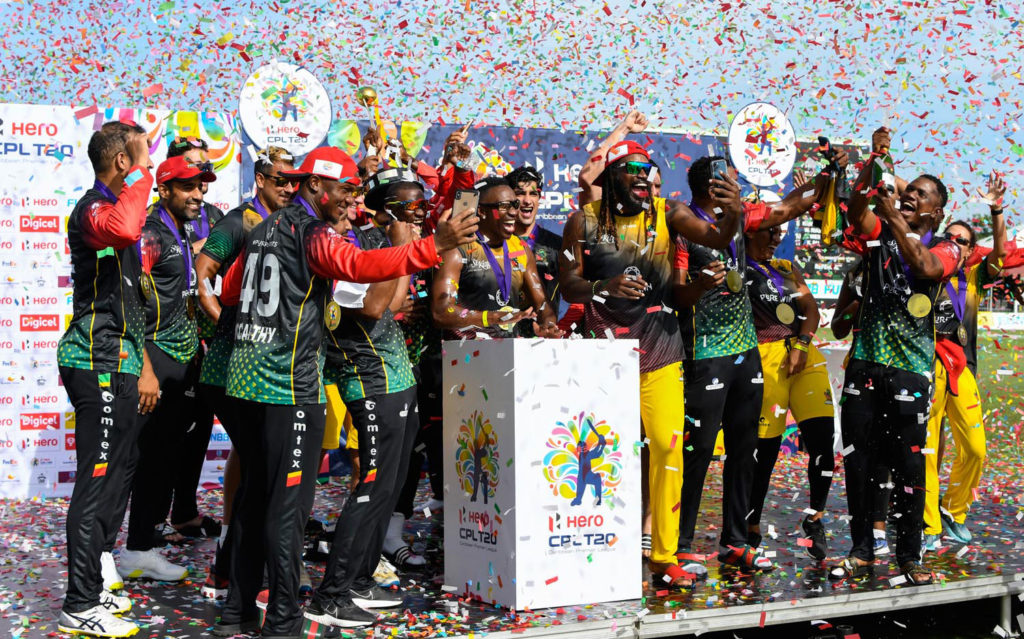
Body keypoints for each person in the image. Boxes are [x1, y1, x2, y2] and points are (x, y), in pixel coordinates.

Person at [214, 145, 478, 636]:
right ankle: (286, 619)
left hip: (244, 382)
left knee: (255, 497)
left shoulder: (261, 227)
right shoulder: (311, 232)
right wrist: (431, 245)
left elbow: (229, 293)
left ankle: (237, 610)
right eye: (344, 190)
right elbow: (357, 267)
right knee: (287, 511)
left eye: (357, 191)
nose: (351, 201)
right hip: (288, 387)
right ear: (314, 184)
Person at [558, 140, 743, 588]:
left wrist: (733, 211)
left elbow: (720, 238)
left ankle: (663, 554)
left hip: (660, 351)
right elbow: (568, 283)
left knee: (666, 448)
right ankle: (591, 547)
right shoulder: (583, 221)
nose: (643, 176)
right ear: (611, 177)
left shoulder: (668, 213)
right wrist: (605, 285)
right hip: (603, 356)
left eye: (648, 170)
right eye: (632, 170)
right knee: (597, 457)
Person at [673, 154, 843, 573]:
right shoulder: (680, 222)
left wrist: (828, 174)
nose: (737, 183)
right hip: (706, 352)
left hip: (746, 353)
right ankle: (681, 544)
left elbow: (789, 208)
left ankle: (735, 542)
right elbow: (678, 296)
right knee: (698, 453)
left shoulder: (744, 216)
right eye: (730, 179)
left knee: (744, 451)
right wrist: (699, 283)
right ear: (712, 186)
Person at [829, 132, 963, 586]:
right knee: (859, 462)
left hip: (911, 370)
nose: (908, 198)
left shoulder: (949, 247)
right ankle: (863, 550)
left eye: (919, 195)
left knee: (908, 464)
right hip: (865, 365)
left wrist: (893, 219)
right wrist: (875, 160)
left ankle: (909, 556)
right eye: (906, 193)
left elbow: (925, 267)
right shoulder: (879, 233)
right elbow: (853, 210)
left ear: (936, 211)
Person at [313, 166, 424, 626]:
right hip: (368, 383)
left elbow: (395, 305)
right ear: (382, 213)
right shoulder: (350, 248)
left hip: (399, 378)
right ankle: (331, 592)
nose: (419, 217)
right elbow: (377, 307)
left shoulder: (385, 244)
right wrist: (401, 246)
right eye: (410, 209)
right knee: (369, 486)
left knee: (389, 488)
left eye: (423, 208)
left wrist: (401, 250)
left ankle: (358, 580)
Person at [56, 120, 153, 638]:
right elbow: (124, 229)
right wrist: (139, 174)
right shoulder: (93, 208)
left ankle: (92, 590)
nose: (149, 166)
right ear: (121, 162)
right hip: (93, 360)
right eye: (142, 156)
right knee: (95, 482)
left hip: (120, 363)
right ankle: (77, 603)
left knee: (115, 477)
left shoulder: (118, 206)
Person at [193, 145, 296, 598]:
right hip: (228, 368)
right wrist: (226, 325)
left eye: (294, 180)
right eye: (280, 180)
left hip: (262, 368)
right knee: (259, 464)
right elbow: (204, 271)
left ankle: (232, 563)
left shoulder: (289, 224)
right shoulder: (239, 221)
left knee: (254, 459)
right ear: (260, 180)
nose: (288, 187)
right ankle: (240, 568)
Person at [116, 156, 215, 582]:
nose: (199, 194)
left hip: (185, 358)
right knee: (146, 457)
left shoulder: (186, 229)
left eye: (202, 186)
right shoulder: (150, 233)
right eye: (189, 187)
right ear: (165, 189)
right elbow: (129, 302)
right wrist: (144, 369)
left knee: (167, 455)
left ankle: (148, 541)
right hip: (155, 358)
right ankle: (134, 547)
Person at [924, 172, 1007, 549]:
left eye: (964, 241)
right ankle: (927, 527)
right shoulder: (926, 272)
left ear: (972, 249)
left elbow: (1002, 254)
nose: (956, 244)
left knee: (975, 448)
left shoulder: (972, 277)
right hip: (925, 368)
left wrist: (996, 209)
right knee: (927, 451)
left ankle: (953, 510)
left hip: (962, 370)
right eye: (950, 238)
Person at [743, 223, 836, 560]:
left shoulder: (786, 268)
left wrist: (803, 343)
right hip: (767, 358)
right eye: (770, 233)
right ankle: (751, 527)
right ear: (750, 232)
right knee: (764, 453)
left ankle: (815, 518)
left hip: (804, 353)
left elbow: (810, 310)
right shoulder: (739, 265)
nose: (777, 239)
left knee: (824, 442)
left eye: (781, 234)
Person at [431, 177, 562, 339]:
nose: (513, 212)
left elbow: (542, 303)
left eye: (514, 205)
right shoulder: (457, 248)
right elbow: (441, 311)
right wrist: (491, 318)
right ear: (482, 211)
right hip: (464, 355)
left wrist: (548, 324)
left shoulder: (520, 248)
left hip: (508, 353)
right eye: (504, 206)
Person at [508, 165, 562, 307]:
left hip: (546, 326)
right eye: (520, 193)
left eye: (533, 194)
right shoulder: (497, 243)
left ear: (539, 198)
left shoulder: (557, 245)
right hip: (506, 327)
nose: (527, 200)